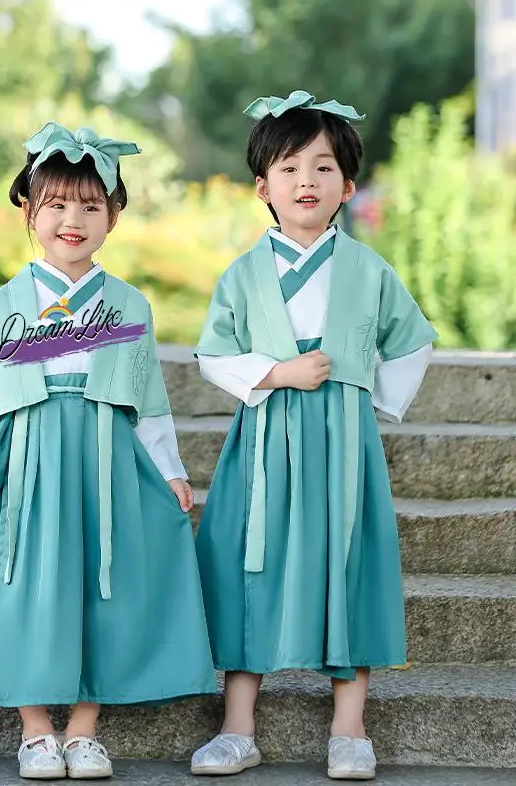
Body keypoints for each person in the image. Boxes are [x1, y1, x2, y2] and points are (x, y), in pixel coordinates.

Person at [0, 122, 216, 781]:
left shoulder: (128, 305)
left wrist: (170, 472)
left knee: (107, 586)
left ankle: (85, 728)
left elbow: (147, 402)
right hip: (31, 459)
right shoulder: (10, 301)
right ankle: (36, 729)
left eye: (92, 206)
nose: (74, 219)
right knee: (28, 587)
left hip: (107, 462)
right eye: (57, 205)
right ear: (29, 211)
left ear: (114, 216)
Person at [190, 91, 437, 781]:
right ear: (262, 186)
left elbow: (412, 341)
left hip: (341, 444)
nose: (307, 180)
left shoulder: (367, 270)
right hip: (265, 440)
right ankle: (238, 727)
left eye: (324, 167)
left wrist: (364, 391)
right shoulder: (242, 274)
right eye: (290, 166)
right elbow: (213, 354)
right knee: (249, 566)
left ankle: (350, 728)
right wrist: (277, 371)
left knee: (347, 562)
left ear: (348, 186)